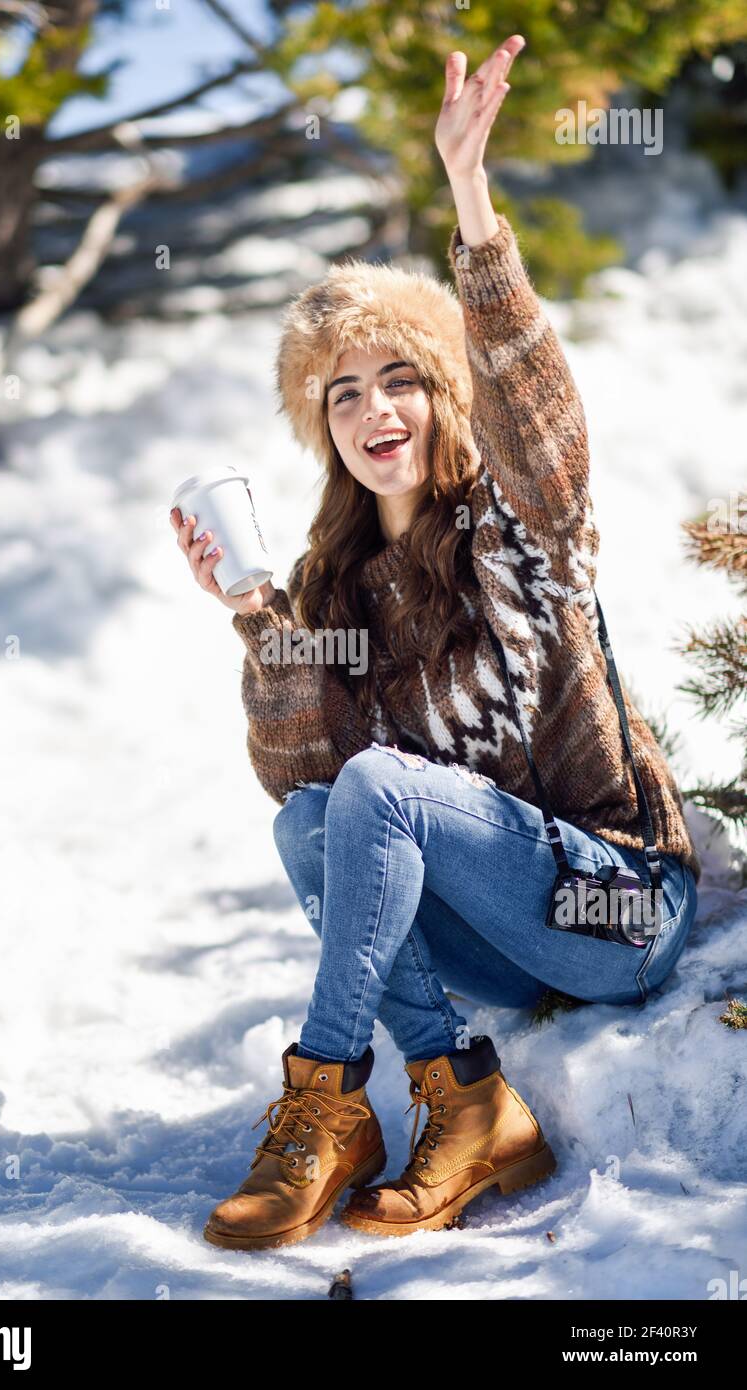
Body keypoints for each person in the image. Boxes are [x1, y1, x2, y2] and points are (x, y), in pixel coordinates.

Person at [171, 34, 700, 1249]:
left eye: (397, 377)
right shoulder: (338, 582)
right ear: (324, 429)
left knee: (377, 791)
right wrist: (263, 619)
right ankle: (468, 1102)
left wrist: (471, 200)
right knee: (311, 817)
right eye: (341, 393)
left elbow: (539, 411)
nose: (373, 410)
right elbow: (326, 806)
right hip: (502, 935)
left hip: (618, 907)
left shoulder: (524, 523)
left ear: (442, 392)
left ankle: (330, 1098)